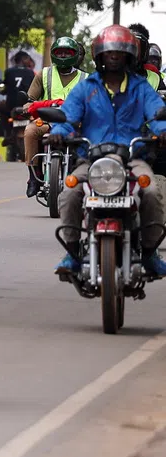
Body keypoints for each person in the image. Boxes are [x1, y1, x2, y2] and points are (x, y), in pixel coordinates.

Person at [50, 24, 166, 279]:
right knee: (69, 193)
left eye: (119, 53)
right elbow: (68, 115)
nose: (114, 57)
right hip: (91, 158)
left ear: (129, 56)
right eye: (109, 53)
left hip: (133, 158)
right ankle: (72, 252)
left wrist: (162, 129)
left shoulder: (140, 88)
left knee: (152, 192)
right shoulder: (85, 87)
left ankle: (149, 253)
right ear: (99, 55)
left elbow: (156, 112)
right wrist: (59, 131)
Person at [23, 36, 87, 196]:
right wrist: (26, 107)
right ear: (53, 54)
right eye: (60, 52)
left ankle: (86, 175)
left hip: (75, 125)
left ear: (75, 54)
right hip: (47, 121)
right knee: (30, 131)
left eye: (67, 52)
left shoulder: (86, 78)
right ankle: (34, 175)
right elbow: (30, 100)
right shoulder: (43, 74)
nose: (63, 56)